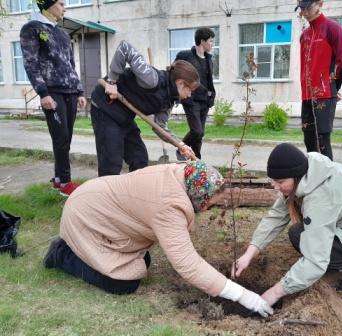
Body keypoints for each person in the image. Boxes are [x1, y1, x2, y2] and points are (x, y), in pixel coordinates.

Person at [43, 160, 273, 317]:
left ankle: (80, 252)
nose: (210, 208)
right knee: (123, 284)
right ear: (199, 196)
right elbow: (187, 264)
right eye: (209, 203)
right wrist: (243, 296)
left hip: (100, 204)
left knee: (143, 264)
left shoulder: (184, 175)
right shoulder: (168, 205)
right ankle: (62, 254)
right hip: (87, 216)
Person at [232, 143, 342, 306]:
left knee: (302, 236)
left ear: (295, 175)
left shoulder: (321, 198)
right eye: (273, 181)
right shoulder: (307, 173)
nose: (275, 187)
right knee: (299, 234)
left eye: (280, 182)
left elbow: (316, 260)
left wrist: (274, 294)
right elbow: (276, 216)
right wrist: (249, 254)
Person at [90, 40, 196, 176]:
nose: (190, 94)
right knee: (111, 163)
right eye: (190, 89)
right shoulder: (152, 79)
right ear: (180, 83)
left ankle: (134, 194)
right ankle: (104, 195)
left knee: (139, 159)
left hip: (125, 116)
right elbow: (125, 48)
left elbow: (160, 127)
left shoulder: (168, 101)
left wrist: (180, 145)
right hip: (105, 108)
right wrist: (111, 81)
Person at [20, 0, 87, 196]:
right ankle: (66, 183)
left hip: (70, 92)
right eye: (60, 3)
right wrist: (43, 93)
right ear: (48, 5)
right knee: (61, 139)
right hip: (52, 92)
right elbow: (31, 63)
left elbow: (70, 65)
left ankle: (58, 179)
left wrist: (80, 91)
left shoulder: (62, 33)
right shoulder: (31, 28)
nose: (64, 7)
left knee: (67, 138)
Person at [295, 0, 342, 161]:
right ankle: (314, 178)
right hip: (307, 96)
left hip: (325, 95)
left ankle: (328, 181)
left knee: (322, 141)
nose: (304, 12)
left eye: (307, 7)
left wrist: (334, 87)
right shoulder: (304, 36)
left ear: (320, 4)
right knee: (309, 140)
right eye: (301, 8)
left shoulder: (333, 29)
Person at [175, 27, 216, 160]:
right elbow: (175, 73)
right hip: (191, 99)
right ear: (202, 41)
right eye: (210, 41)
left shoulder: (209, 59)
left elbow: (209, 81)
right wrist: (176, 94)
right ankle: (181, 148)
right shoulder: (185, 56)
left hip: (205, 101)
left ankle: (196, 159)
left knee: (200, 134)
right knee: (196, 131)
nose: (212, 44)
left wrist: (211, 96)